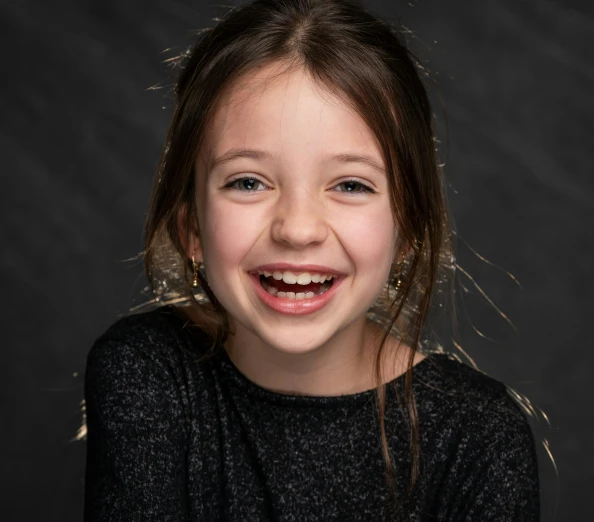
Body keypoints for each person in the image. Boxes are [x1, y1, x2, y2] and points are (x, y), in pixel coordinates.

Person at [82, 0, 540, 520]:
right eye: (248, 181)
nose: (297, 229)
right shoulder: (148, 373)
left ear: (408, 228)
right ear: (190, 228)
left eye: (350, 184)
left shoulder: (479, 435)